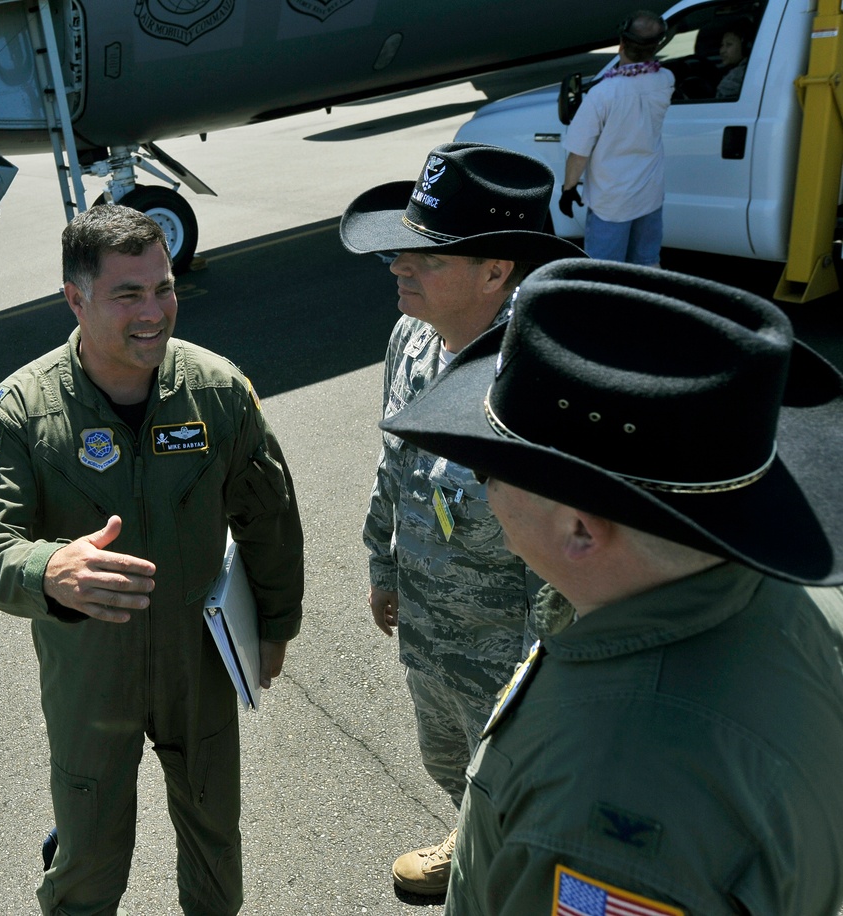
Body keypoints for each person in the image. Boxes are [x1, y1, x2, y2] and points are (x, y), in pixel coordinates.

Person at [379, 257, 843, 915]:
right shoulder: (793, 602)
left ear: (580, 530)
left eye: (492, 467)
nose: (481, 483)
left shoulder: (603, 817)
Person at [0, 205, 304, 916]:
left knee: (214, 836)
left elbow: (269, 514)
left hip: (196, 661)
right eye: (127, 295)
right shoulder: (21, 410)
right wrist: (47, 570)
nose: (154, 313)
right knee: (90, 852)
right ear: (76, 299)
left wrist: (277, 625)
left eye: (163, 288)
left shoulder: (216, 390)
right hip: (89, 672)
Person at [339, 142, 584, 895]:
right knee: (451, 766)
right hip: (432, 626)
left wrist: (532, 688)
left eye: (425, 256)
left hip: (512, 652)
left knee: (529, 800)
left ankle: (520, 883)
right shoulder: (412, 336)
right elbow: (396, 458)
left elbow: (569, 562)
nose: (397, 266)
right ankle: (475, 840)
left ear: (496, 271)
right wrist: (385, 564)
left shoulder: (541, 376)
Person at [560, 11, 674, 267]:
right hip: (650, 195)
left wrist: (568, 190)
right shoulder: (666, 80)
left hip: (611, 203)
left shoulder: (603, 95)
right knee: (647, 263)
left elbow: (578, 153)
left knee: (605, 271)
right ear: (656, 47)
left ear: (621, 45)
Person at [715, 20, 752, 100]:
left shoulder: (735, 77)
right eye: (722, 45)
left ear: (745, 46)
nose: (722, 51)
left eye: (729, 44)